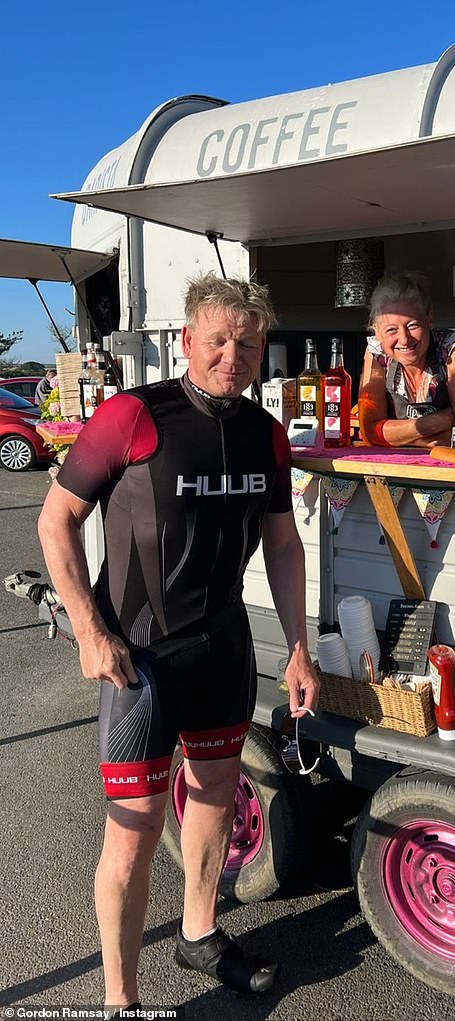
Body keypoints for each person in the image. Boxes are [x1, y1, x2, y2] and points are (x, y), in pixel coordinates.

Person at [37, 273, 319, 1010]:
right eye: (219, 339)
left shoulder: (266, 433)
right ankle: (120, 1000)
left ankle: (198, 934)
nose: (234, 353)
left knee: (216, 802)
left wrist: (298, 645)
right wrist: (90, 631)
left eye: (249, 342)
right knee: (133, 834)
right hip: (140, 656)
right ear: (188, 340)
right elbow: (56, 520)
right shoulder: (134, 414)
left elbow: (283, 545)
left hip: (223, 648)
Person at [358, 273, 455, 447]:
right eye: (391, 330)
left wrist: (399, 437)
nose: (404, 339)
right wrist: (440, 421)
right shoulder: (376, 353)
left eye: (413, 325)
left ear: (429, 319)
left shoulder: (454, 347)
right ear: (377, 333)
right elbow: (369, 433)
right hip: (398, 466)